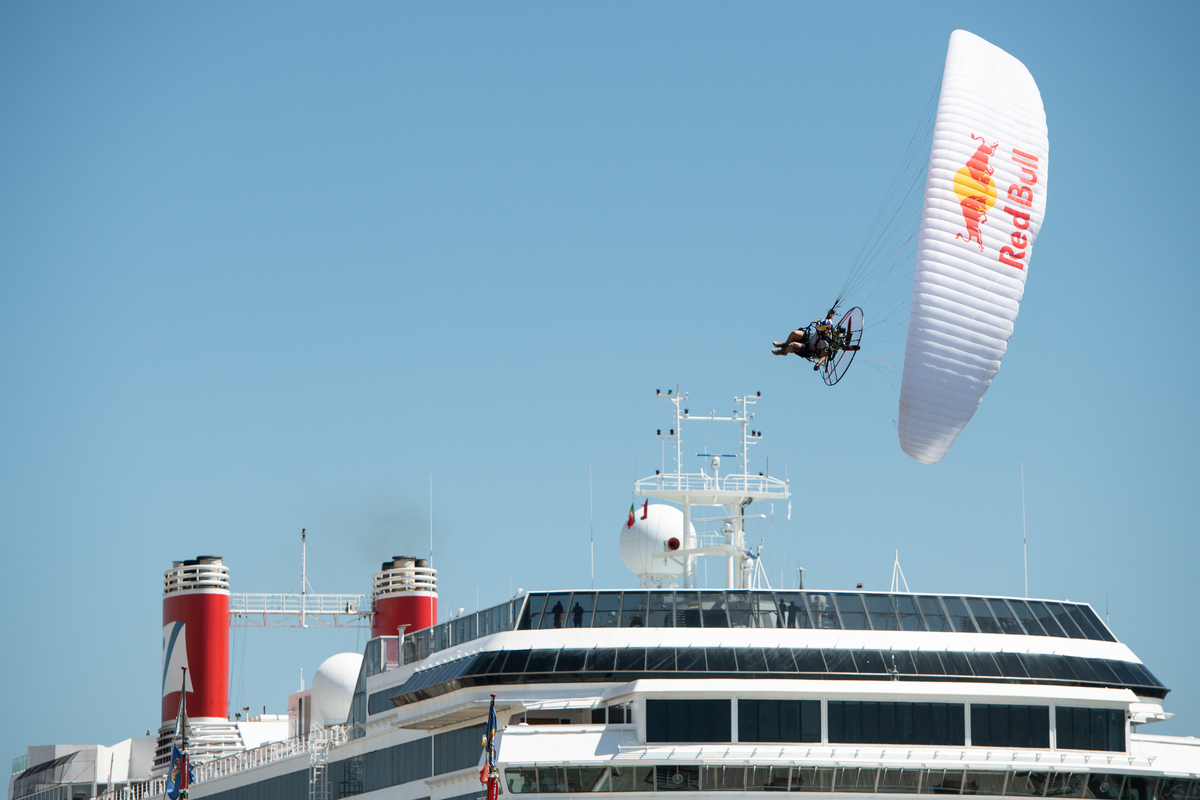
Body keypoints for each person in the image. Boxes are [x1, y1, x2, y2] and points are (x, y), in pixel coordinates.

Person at [772, 309, 857, 371]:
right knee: (794, 333)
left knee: (794, 345)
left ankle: (784, 352)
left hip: (809, 349)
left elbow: (824, 356)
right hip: (810, 338)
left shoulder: (825, 342)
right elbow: (829, 319)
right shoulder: (828, 325)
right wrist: (830, 313)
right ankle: (785, 344)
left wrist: (818, 364)